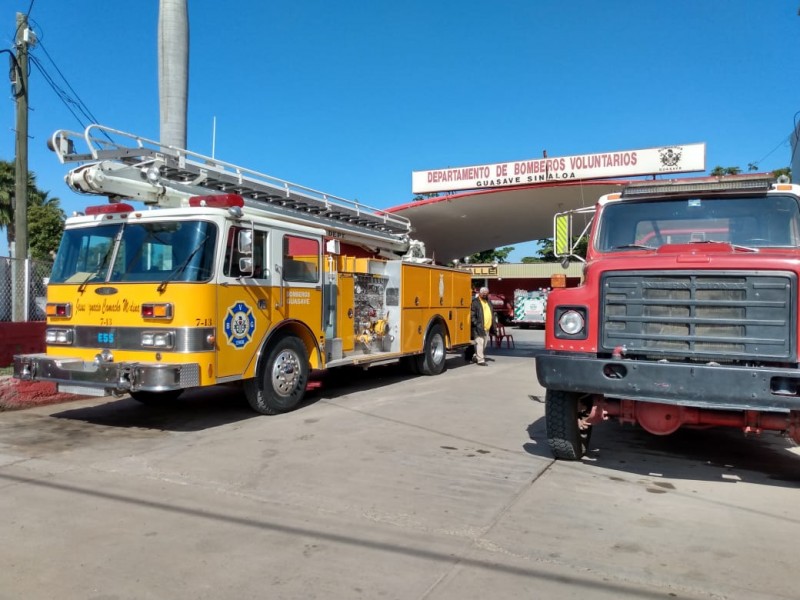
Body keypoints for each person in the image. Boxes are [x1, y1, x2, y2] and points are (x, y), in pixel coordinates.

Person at [469, 286, 497, 366]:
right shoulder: (475, 302)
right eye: (483, 294)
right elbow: (472, 315)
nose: (485, 295)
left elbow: (492, 313)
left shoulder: (488, 301)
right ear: (480, 293)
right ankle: (480, 360)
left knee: (484, 345)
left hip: (487, 327)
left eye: (486, 294)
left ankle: (475, 356)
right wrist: (476, 324)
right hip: (478, 327)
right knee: (480, 343)